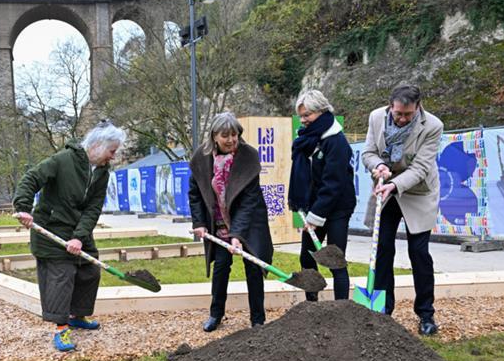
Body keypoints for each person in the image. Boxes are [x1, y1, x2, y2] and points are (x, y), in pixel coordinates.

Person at [13, 121, 126, 352]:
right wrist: (23, 207)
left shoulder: (102, 173)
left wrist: (79, 237)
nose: (112, 157)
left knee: (89, 270)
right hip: (52, 228)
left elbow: (93, 208)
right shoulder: (63, 160)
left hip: (76, 230)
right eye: (111, 151)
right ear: (96, 145)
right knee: (61, 276)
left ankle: (76, 316)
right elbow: (32, 178)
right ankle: (61, 328)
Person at [362, 84, 443, 336]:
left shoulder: (432, 126)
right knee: (383, 249)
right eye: (398, 113)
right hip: (385, 188)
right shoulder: (376, 118)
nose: (403, 118)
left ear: (418, 108)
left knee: (419, 252)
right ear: (390, 106)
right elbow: (368, 152)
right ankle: (384, 310)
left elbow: (420, 168)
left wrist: (396, 184)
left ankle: (426, 314)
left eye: (408, 114)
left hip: (417, 191)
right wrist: (379, 168)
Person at [189, 111, 273, 332]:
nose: (231, 140)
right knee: (221, 268)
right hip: (218, 224)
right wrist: (199, 222)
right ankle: (215, 314)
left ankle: (258, 319)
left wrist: (238, 234)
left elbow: (249, 201)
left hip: (249, 223)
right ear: (214, 136)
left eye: (234, 134)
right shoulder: (201, 158)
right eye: (225, 135)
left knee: (254, 268)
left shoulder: (248, 157)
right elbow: (195, 193)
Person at [288, 89, 355, 301]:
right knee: (307, 256)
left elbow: (332, 184)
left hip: (337, 208)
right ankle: (312, 305)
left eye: (307, 114)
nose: (303, 120)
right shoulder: (307, 139)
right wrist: (306, 210)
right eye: (301, 115)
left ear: (322, 111)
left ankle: (342, 308)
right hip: (314, 205)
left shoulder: (336, 141)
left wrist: (315, 217)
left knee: (335, 260)